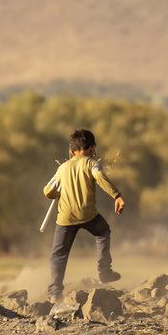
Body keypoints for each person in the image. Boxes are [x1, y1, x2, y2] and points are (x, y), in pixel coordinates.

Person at [43, 128, 126, 303]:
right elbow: (100, 177)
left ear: (71, 151)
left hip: (65, 218)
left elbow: (48, 190)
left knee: (58, 255)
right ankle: (104, 272)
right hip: (88, 215)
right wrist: (117, 195)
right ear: (93, 148)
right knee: (103, 232)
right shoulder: (92, 164)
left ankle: (54, 294)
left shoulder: (62, 168)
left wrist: (55, 195)